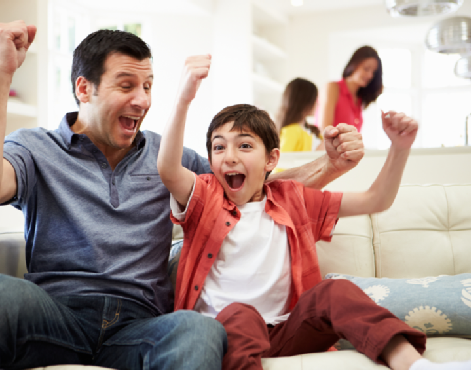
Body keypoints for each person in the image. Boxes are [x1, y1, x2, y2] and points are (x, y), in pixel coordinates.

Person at [0, 21, 364, 370]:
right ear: (83, 89)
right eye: (127, 85)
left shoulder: (168, 156)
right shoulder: (37, 148)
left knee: (197, 331)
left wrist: (330, 165)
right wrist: (0, 72)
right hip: (57, 313)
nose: (142, 100)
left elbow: (251, 188)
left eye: (148, 86)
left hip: (139, 325)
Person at [157, 54, 471, 370]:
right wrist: (184, 98)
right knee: (241, 313)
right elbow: (169, 169)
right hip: (224, 333)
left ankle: (418, 366)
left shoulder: (292, 198)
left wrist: (400, 149)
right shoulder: (206, 195)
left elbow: (376, 200)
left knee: (334, 291)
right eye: (219, 146)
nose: (229, 157)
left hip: (288, 332)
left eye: (245, 146)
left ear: (271, 160)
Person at [319, 45, 383, 133]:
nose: (370, 75)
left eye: (373, 72)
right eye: (366, 69)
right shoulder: (332, 88)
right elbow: (324, 130)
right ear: (354, 64)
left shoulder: (359, 98)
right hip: (330, 146)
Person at [275, 77, 323, 152]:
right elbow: (283, 160)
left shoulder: (311, 130)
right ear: (306, 102)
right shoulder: (292, 131)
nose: (317, 104)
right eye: (315, 100)